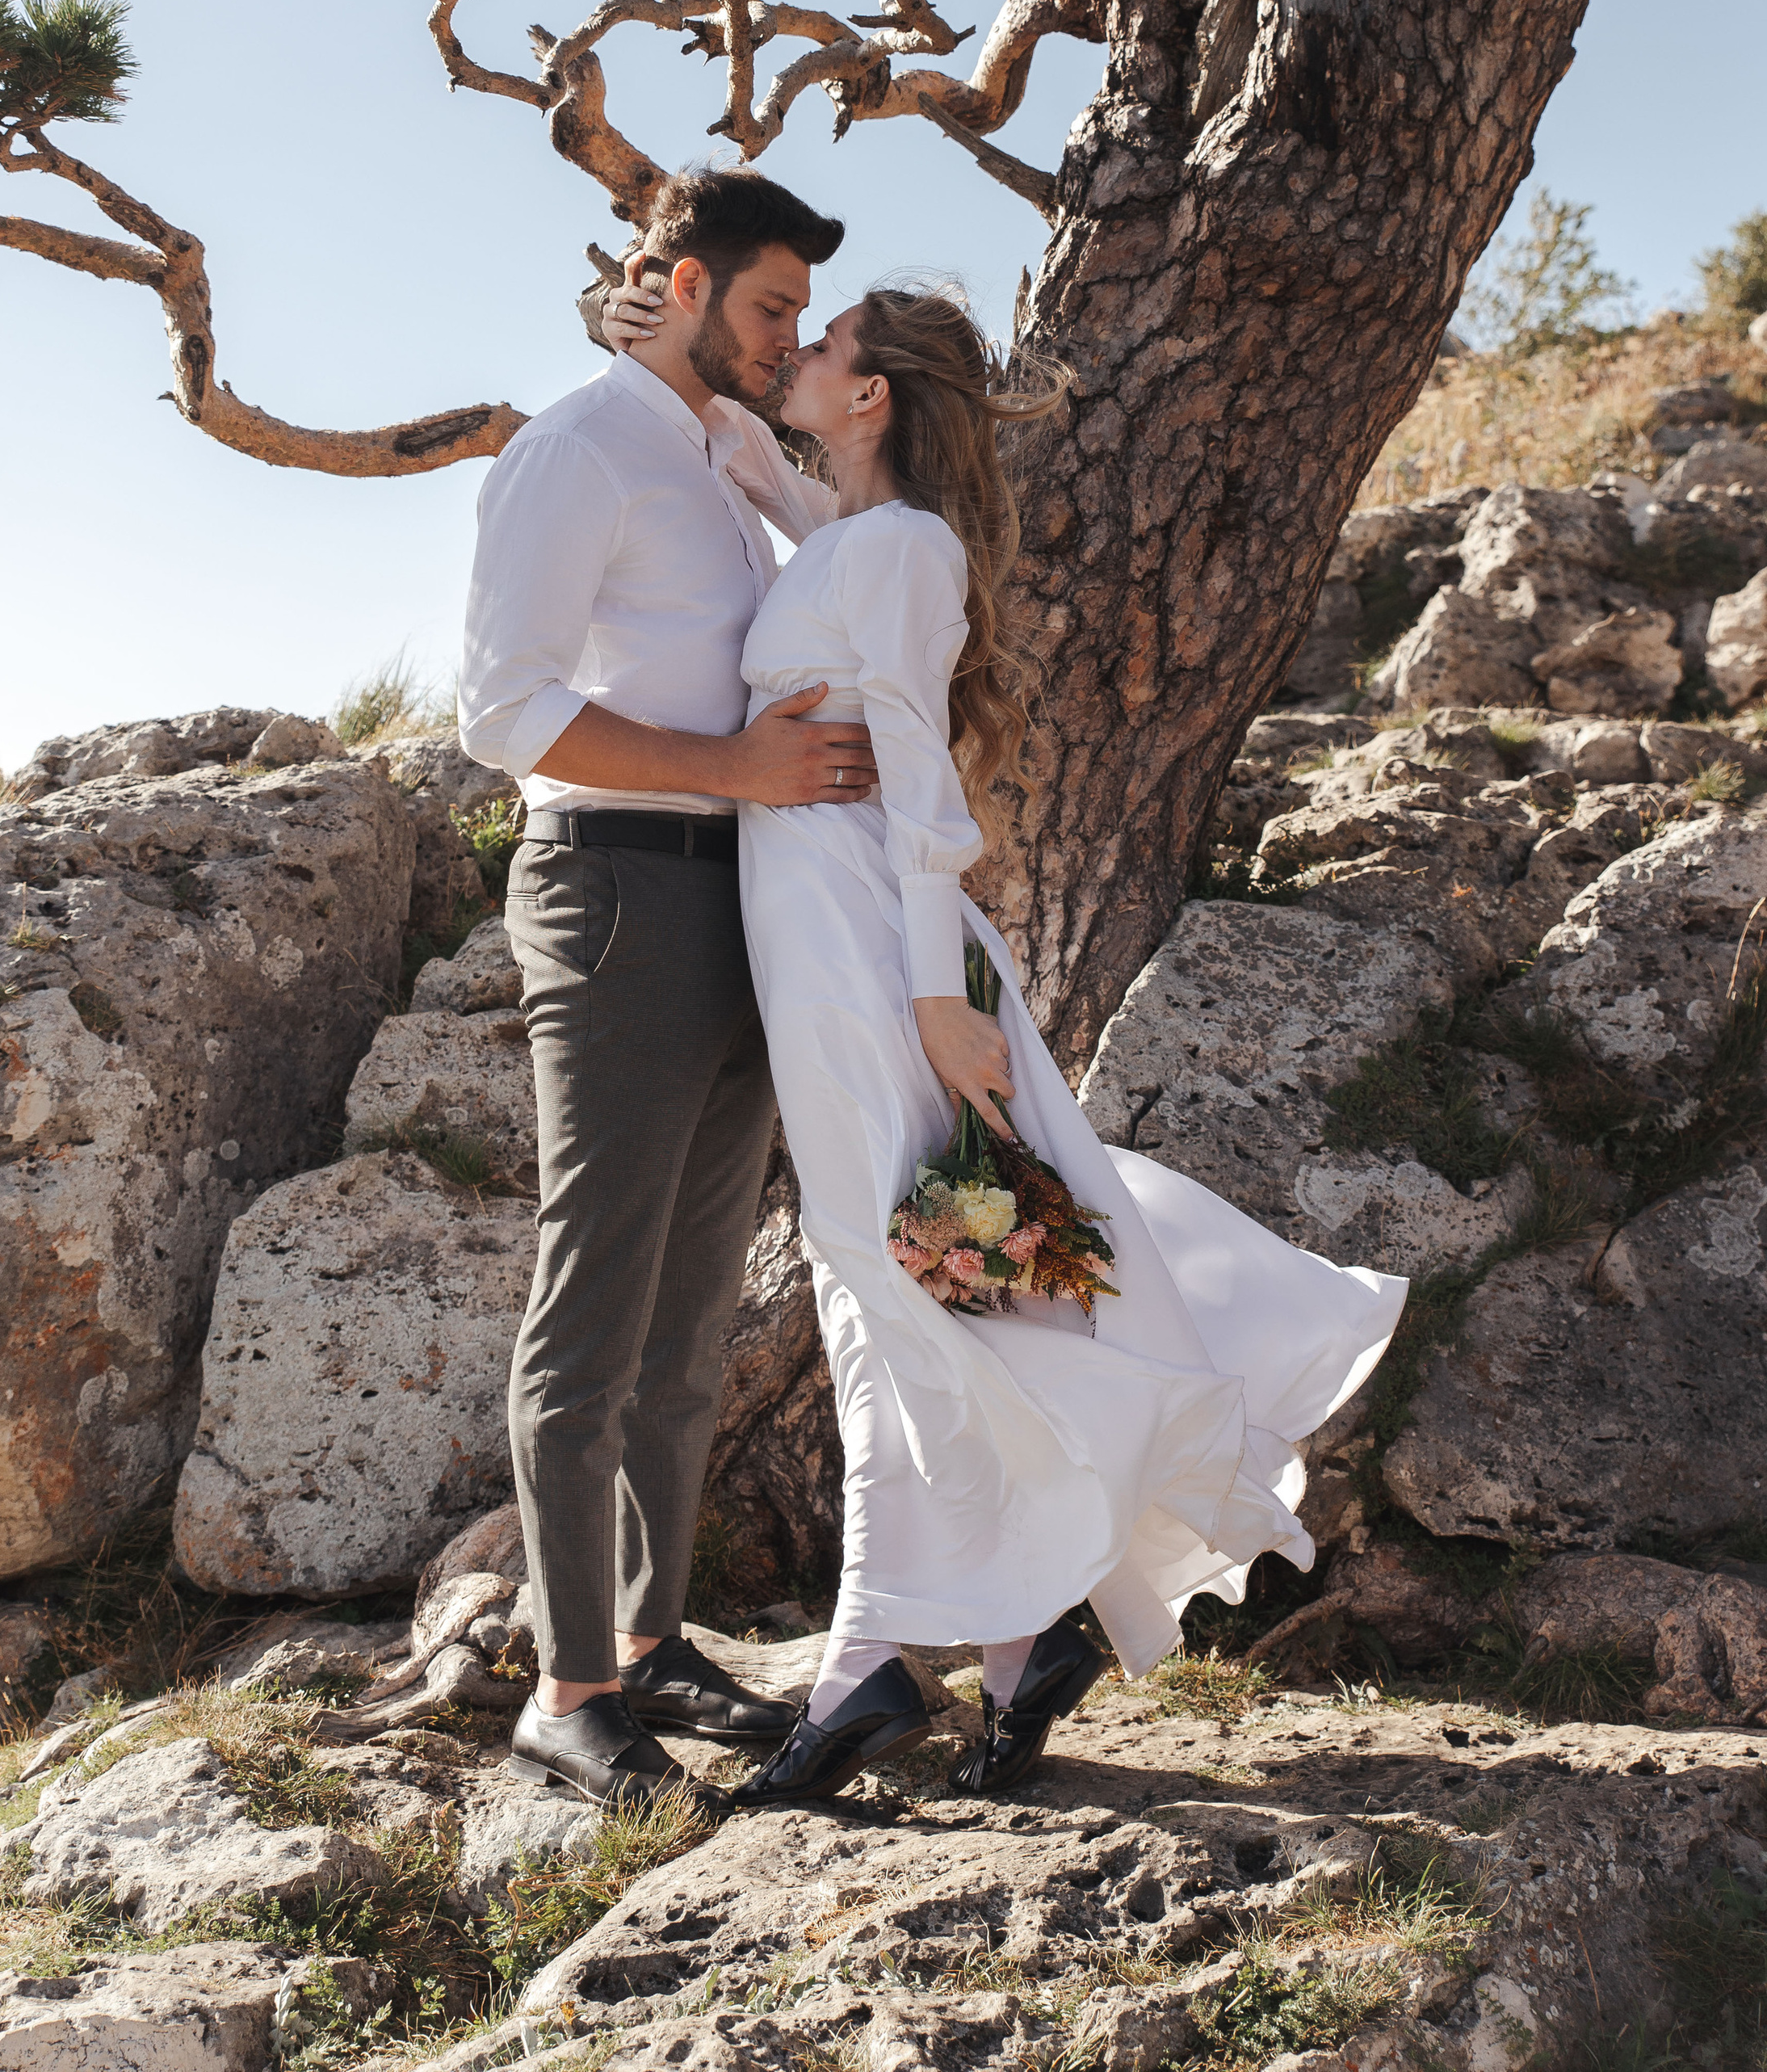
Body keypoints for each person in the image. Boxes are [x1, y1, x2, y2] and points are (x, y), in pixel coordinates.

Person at [607, 273, 1406, 1807]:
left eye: (823, 342)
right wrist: (675, 367)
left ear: (873, 395)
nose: (799, 351)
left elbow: (914, 768)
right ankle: (1020, 1637)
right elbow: (758, 474)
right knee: (914, 1286)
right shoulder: (848, 537)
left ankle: (873, 1666)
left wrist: (930, 996)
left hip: (865, 948)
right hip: (822, 937)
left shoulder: (901, 550)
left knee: (892, 1276)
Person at [456, 166, 879, 1809]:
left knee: (692, 1312)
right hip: (615, 893)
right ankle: (565, 1694)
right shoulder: (574, 449)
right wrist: (728, 767)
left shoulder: (710, 451)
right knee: (596, 1302)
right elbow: (500, 708)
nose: (785, 339)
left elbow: (829, 526)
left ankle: (641, 1638)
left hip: (742, 896)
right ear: (688, 286)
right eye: (767, 307)